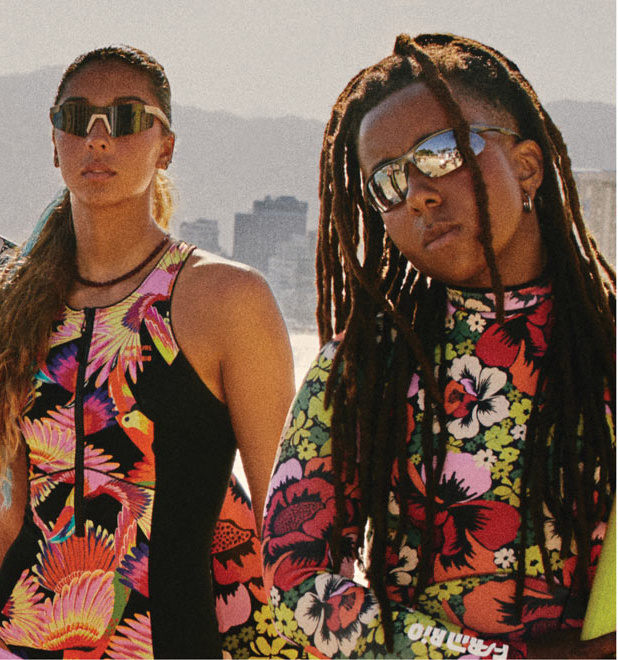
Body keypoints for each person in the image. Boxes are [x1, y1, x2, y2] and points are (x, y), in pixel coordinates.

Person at [262, 34, 615, 658]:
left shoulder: (606, 344)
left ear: (527, 166)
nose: (419, 193)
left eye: (443, 152)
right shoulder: (363, 365)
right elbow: (295, 580)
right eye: (388, 180)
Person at [0, 46, 294, 657]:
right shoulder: (21, 309)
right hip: (18, 643)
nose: (98, 137)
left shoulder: (226, 299)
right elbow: (14, 516)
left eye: (127, 117)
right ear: (55, 144)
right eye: (78, 118)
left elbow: (285, 525)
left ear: (165, 146)